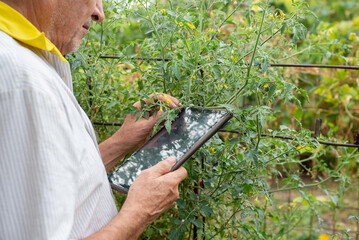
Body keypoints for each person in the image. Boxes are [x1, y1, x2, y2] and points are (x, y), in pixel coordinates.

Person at [0, 0, 187, 239]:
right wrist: (140, 212)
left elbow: (58, 182)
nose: (100, 14)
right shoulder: (24, 84)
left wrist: (120, 141)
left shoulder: (30, 58)